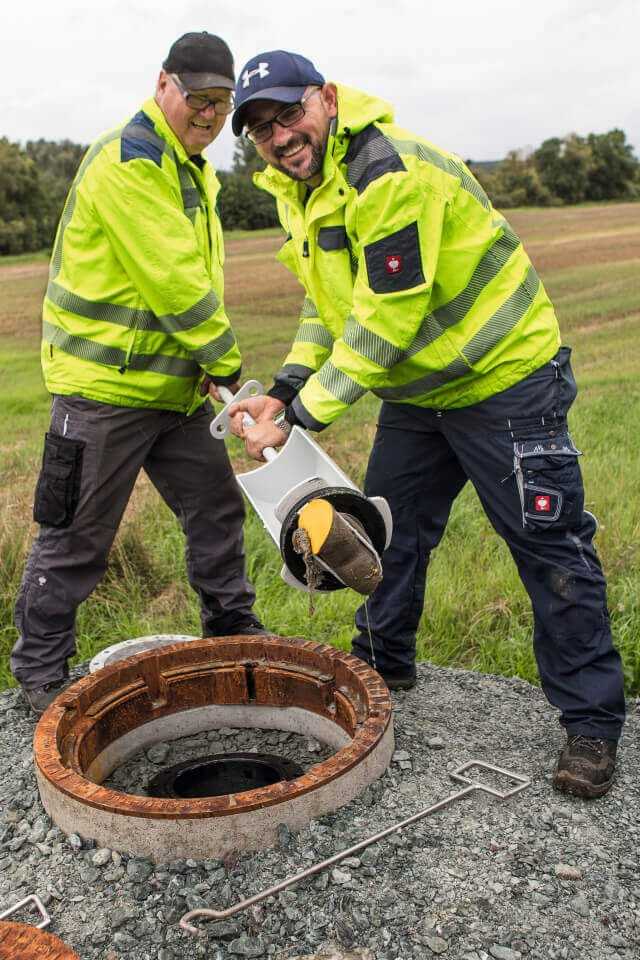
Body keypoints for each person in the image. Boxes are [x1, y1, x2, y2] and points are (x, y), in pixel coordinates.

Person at [226, 50, 625, 798]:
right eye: (261, 128)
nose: (279, 137)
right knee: (385, 531)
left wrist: (304, 416)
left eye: (289, 114)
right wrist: (283, 389)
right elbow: (330, 306)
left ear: (328, 99)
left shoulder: (384, 173)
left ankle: (592, 724)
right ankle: (382, 669)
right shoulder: (301, 189)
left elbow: (388, 317)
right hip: (420, 393)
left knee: (546, 545)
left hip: (502, 378)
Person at [12, 32, 265, 716]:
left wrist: (206, 377)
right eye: (197, 97)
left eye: (220, 100)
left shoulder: (190, 167)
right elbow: (178, 284)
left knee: (215, 512)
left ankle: (231, 629)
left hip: (175, 394)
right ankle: (38, 675)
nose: (208, 113)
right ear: (163, 86)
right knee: (76, 539)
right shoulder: (132, 160)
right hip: (103, 393)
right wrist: (230, 371)